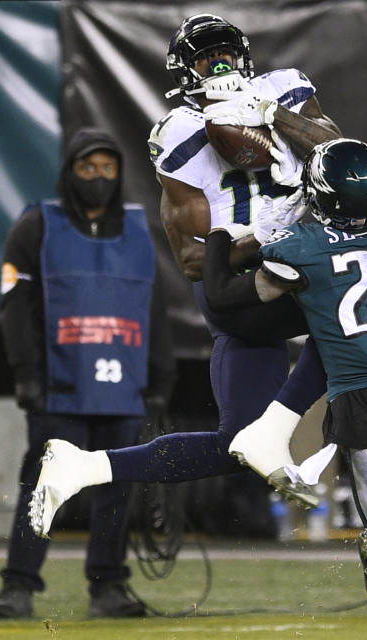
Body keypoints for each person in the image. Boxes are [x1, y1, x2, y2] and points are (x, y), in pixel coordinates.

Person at [28, 139, 367, 640]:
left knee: (274, 398)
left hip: (363, 413)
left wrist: (232, 236)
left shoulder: (304, 247)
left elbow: (219, 294)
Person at [35, 13, 338, 513]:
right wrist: (266, 232)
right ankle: (281, 432)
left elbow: (334, 148)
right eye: (205, 58)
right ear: (185, 71)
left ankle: (85, 467)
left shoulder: (283, 89)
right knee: (354, 316)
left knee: (235, 444)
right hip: (241, 283)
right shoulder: (180, 133)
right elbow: (195, 261)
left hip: (300, 274)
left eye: (227, 54)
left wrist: (271, 116)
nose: (220, 65)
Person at [0, 128, 176, 619]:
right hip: (59, 388)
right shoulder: (36, 225)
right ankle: (18, 586)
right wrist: (25, 373)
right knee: (44, 487)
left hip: (124, 387)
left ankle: (108, 588)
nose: (98, 178)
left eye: (107, 168)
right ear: (70, 171)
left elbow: (153, 308)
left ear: (119, 173)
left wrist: (161, 378)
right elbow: (14, 307)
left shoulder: (139, 230)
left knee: (117, 494)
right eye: (87, 168)